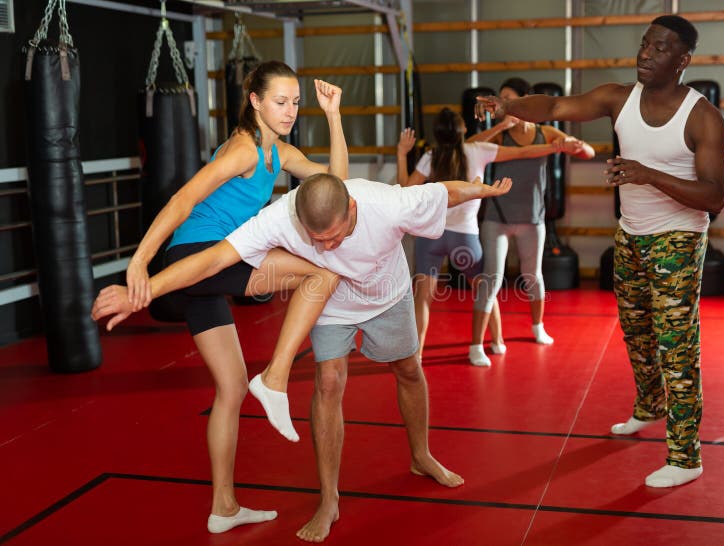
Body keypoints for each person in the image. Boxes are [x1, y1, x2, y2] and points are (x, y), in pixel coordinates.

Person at [94, 173, 513, 542]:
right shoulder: (280, 216)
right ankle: (329, 499)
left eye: (336, 235)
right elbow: (213, 259)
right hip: (330, 298)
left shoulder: (385, 201)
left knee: (408, 369)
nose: (329, 245)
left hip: (388, 294)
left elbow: (446, 192)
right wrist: (141, 292)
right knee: (328, 383)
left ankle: (421, 455)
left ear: (352, 207)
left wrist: (482, 189)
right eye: (319, 240)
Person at [476, 15, 724, 488]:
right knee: (636, 333)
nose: (646, 55)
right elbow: (554, 103)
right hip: (630, 235)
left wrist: (647, 174)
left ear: (682, 60)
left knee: (677, 347)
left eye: (659, 49)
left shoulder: (702, 116)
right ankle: (650, 405)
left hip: (678, 237)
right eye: (644, 45)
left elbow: (715, 196)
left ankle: (685, 454)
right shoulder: (618, 98)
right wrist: (506, 104)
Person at [117, 60, 347, 532]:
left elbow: (334, 185)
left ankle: (223, 506)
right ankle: (277, 377)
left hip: (213, 264)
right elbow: (184, 198)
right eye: (280, 102)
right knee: (322, 275)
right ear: (255, 101)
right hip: (201, 254)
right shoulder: (244, 151)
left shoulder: (278, 153)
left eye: (296, 102)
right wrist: (141, 260)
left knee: (231, 388)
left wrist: (333, 116)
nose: (290, 111)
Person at [397, 107, 590, 367]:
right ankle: (497, 340)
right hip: (464, 237)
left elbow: (405, 192)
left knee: (423, 298)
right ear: (463, 130)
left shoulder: (431, 156)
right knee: (485, 289)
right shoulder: (476, 151)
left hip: (431, 236)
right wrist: (555, 147)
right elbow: (522, 152)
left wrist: (401, 154)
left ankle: (417, 354)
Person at [467, 77, 594, 364]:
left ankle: (538, 326)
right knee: (491, 279)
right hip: (498, 217)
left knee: (532, 276)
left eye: (509, 99)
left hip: (532, 217)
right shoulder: (499, 134)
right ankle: (476, 345)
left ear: (525, 100)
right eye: (502, 100)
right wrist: (499, 126)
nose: (503, 105)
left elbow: (588, 152)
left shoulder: (544, 132)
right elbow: (468, 146)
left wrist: (571, 143)